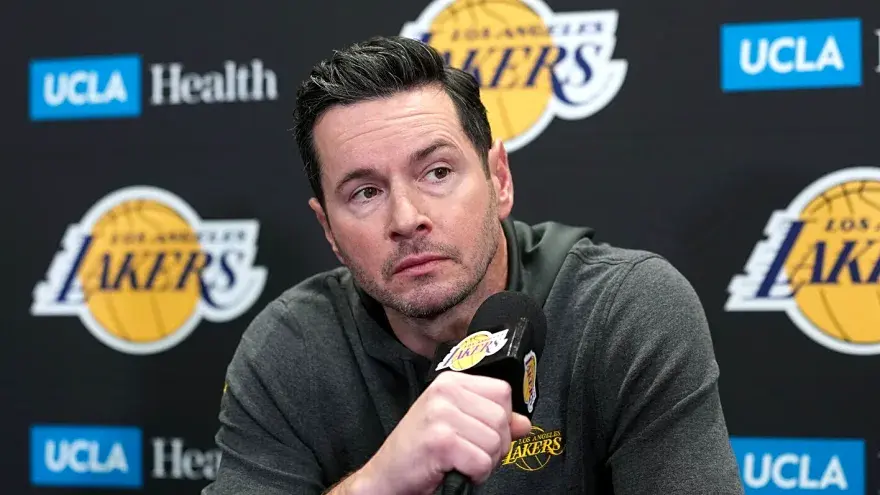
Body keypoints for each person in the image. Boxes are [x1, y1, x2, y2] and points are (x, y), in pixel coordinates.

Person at [202, 35, 744, 494]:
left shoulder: (626, 310)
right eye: (365, 192)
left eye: (437, 172)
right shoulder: (289, 348)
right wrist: (376, 485)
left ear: (499, 180)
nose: (406, 218)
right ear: (329, 231)